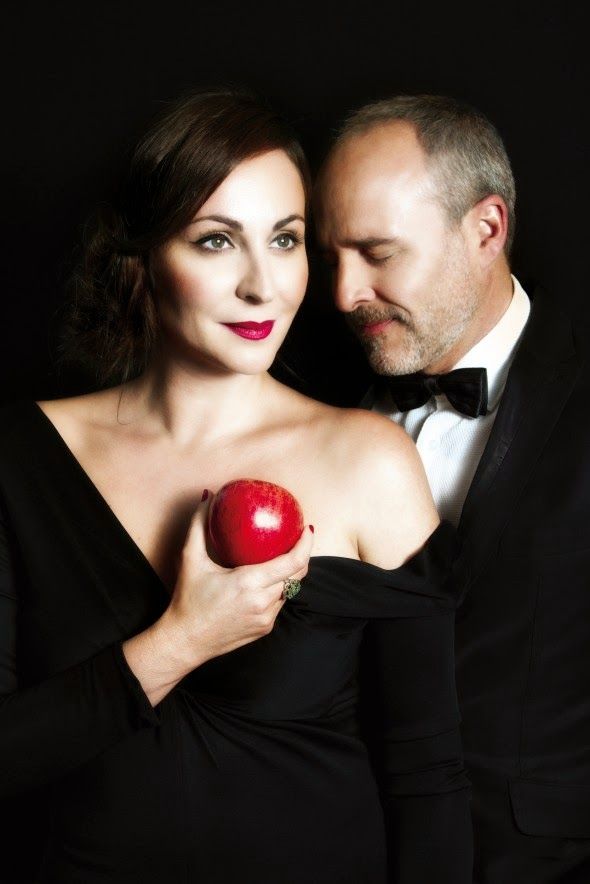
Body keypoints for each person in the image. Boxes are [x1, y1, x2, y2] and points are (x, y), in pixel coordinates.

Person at [0, 89, 471, 883]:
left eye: (285, 240)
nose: (263, 286)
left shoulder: (370, 461)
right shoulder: (20, 456)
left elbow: (428, 780)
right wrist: (181, 641)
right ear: (143, 255)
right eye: (216, 241)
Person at [314, 93, 590, 883]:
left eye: (378, 252)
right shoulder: (308, 401)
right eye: (332, 257)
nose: (343, 293)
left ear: (487, 229)